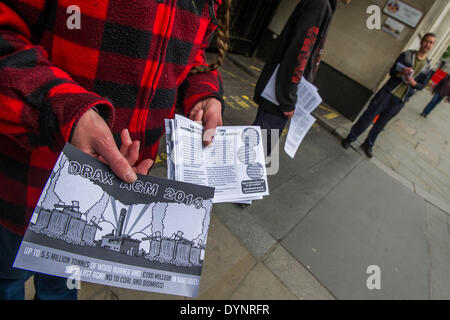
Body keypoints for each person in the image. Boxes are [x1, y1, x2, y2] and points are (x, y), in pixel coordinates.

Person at [0, 0, 231, 300]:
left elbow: (194, 55)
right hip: (25, 181)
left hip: (109, 200)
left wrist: (203, 91)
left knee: (62, 286)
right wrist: (63, 108)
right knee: (7, 281)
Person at [252, 0, 341, 156]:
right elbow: (299, 54)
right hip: (277, 99)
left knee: (255, 150)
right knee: (255, 155)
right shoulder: (320, 5)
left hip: (278, 95)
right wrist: (287, 101)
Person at [341, 33, 436, 158]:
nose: (427, 45)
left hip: (400, 100)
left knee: (381, 124)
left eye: (430, 43)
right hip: (387, 93)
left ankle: (368, 144)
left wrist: (414, 83)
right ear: (421, 42)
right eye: (426, 41)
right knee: (368, 117)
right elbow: (392, 72)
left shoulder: (428, 67)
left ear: (432, 46)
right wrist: (401, 73)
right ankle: (350, 138)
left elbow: (421, 86)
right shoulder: (407, 55)